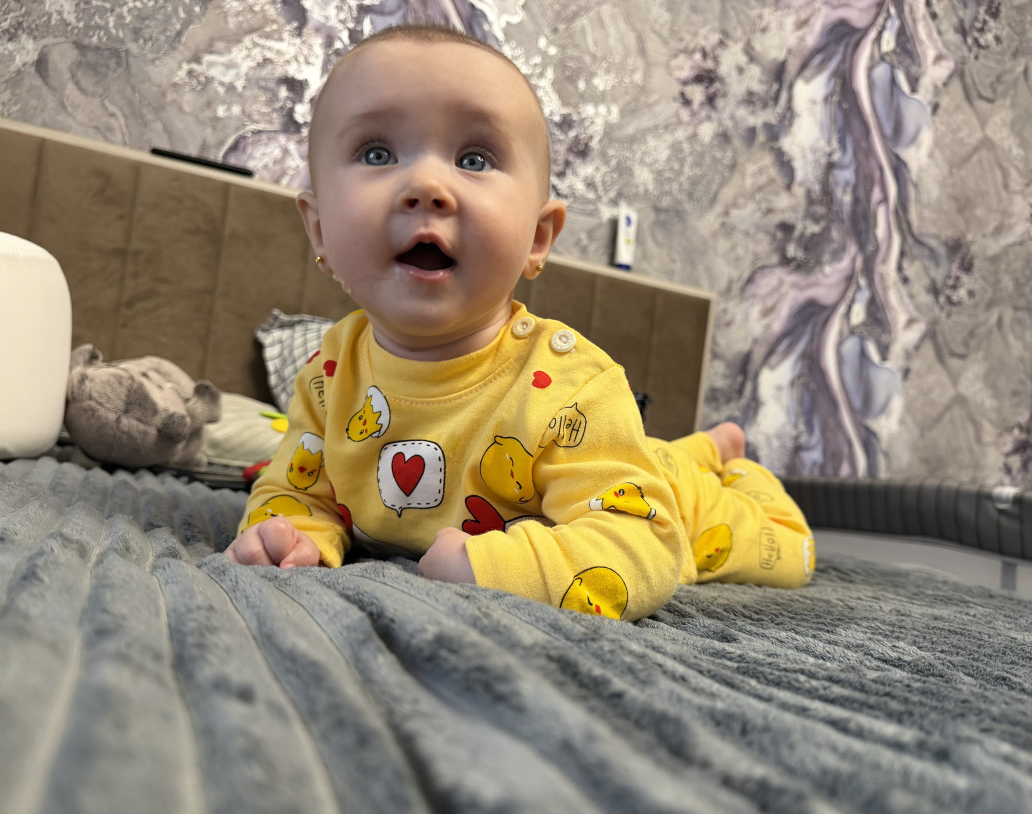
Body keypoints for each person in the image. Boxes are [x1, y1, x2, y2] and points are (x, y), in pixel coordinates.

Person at [226, 24, 814, 620]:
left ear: (537, 237)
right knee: (658, 457)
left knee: (788, 554)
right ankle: (702, 448)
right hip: (614, 463)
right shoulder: (330, 372)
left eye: (473, 159)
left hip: (668, 501)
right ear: (320, 230)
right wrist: (292, 534)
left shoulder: (573, 389)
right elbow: (298, 489)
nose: (426, 186)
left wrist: (495, 568)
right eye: (377, 153)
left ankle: (734, 468)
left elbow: (647, 543)